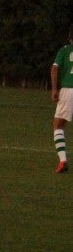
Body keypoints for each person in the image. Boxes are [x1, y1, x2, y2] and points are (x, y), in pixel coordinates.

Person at [51, 26, 73, 173]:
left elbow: (54, 68)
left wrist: (54, 89)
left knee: (58, 125)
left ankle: (63, 160)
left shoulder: (64, 50)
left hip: (69, 90)